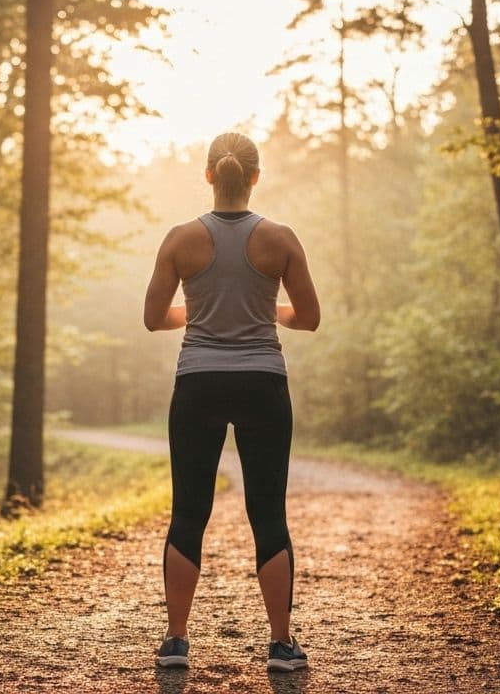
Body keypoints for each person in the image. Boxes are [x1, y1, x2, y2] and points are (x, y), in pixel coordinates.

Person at [142, 131, 320, 673]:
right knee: (268, 513)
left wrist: (200, 311)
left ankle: (176, 641)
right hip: (262, 383)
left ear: (209, 176)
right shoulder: (280, 239)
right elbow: (309, 317)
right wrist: (266, 309)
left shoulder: (180, 239)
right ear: (255, 177)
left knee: (188, 512)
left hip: (198, 383)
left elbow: (153, 318)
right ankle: (282, 645)